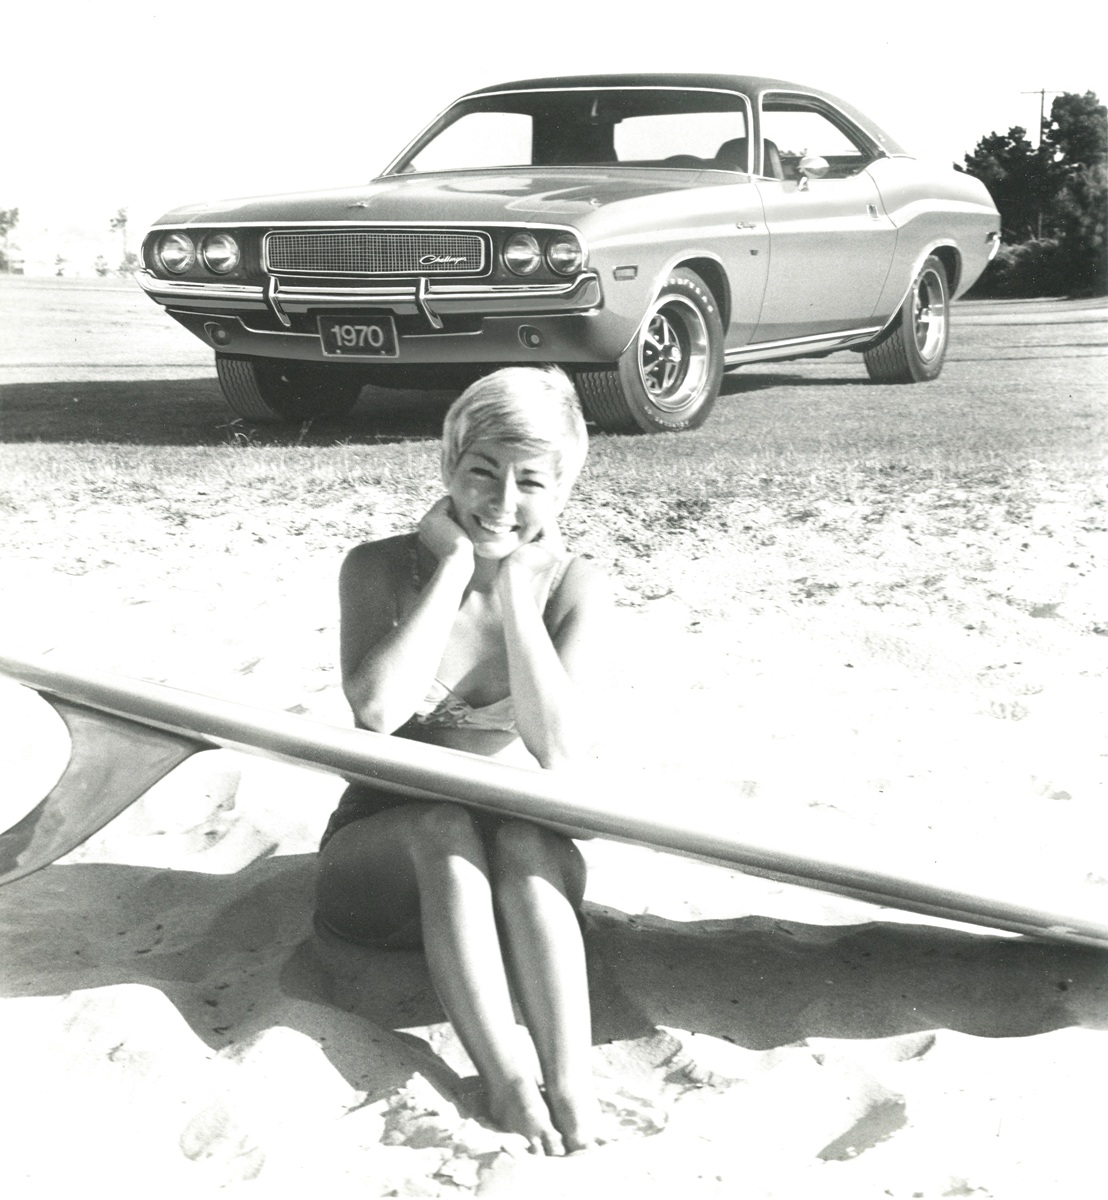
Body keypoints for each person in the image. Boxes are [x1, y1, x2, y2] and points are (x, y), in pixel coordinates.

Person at [315, 367, 611, 1156]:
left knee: (518, 833)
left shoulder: (573, 586)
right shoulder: (377, 566)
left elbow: (562, 753)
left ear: (563, 491)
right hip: (383, 865)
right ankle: (508, 1082)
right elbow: (378, 712)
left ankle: (571, 1083)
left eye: (531, 483)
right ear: (447, 468)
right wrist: (452, 570)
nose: (502, 502)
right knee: (441, 824)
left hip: (516, 875)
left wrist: (517, 598)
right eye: (482, 471)